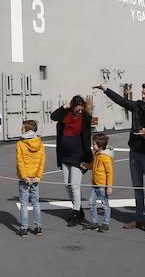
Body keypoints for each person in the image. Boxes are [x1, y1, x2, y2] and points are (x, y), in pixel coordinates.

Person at [95, 81, 145, 232]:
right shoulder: (137, 106)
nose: (143, 96)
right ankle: (138, 219)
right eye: (142, 93)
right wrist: (105, 89)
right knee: (137, 187)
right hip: (135, 152)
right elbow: (121, 101)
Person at [49, 95, 94, 226]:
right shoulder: (65, 114)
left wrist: (88, 159)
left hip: (79, 155)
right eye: (77, 109)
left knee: (75, 185)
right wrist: (65, 107)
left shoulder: (85, 116)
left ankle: (75, 213)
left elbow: (89, 118)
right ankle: (78, 210)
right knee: (67, 184)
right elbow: (53, 117)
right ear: (72, 106)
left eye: (81, 109)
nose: (79, 111)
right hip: (65, 155)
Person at [16, 119, 45, 237]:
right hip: (35, 177)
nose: (21, 129)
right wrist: (38, 175)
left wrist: (24, 176)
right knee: (36, 202)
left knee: (24, 203)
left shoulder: (20, 143)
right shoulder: (40, 143)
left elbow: (20, 161)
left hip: (25, 177)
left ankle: (24, 228)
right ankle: (38, 227)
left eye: (22, 128)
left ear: (26, 130)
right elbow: (42, 161)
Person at [86, 133, 113, 232]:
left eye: (94, 144)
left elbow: (109, 173)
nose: (93, 146)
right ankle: (94, 222)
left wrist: (109, 187)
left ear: (100, 146)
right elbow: (93, 165)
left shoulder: (105, 157)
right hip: (94, 184)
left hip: (102, 186)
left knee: (105, 205)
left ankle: (105, 223)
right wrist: (86, 165)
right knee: (91, 202)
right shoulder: (96, 155)